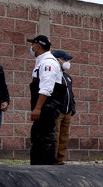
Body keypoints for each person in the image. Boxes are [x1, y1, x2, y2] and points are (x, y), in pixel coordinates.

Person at [26, 34, 67, 165]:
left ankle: (47, 168)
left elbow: (46, 88)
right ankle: (37, 165)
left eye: (33, 44)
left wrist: (37, 108)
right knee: (38, 137)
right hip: (45, 107)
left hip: (47, 108)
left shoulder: (47, 63)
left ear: (37, 46)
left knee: (46, 138)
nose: (31, 47)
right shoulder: (42, 61)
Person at [53, 49, 77, 164]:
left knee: (64, 136)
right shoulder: (54, 75)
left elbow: (70, 94)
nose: (67, 62)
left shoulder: (68, 77)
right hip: (58, 111)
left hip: (67, 111)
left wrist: (72, 108)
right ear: (57, 60)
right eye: (64, 59)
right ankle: (53, 158)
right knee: (55, 136)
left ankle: (60, 159)